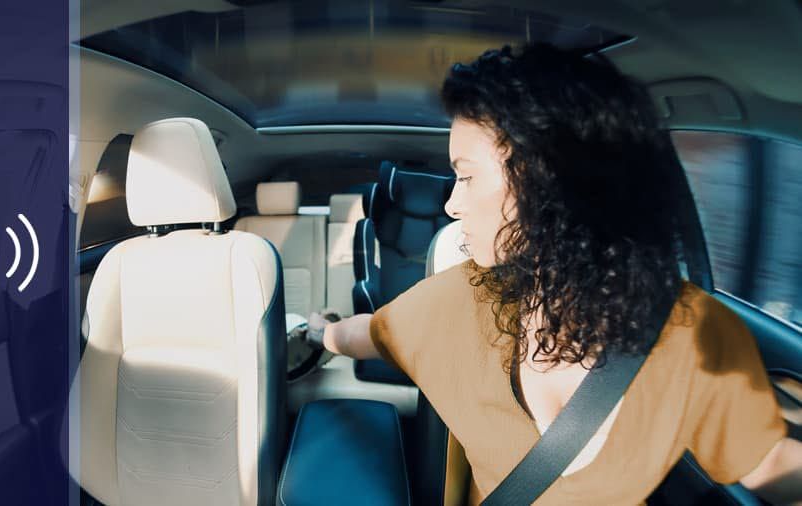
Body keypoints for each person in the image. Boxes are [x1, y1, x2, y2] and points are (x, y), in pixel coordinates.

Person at [303, 44, 801, 505]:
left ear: (547, 182)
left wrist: (320, 331)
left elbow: (768, 464)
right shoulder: (452, 305)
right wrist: (321, 329)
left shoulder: (694, 333)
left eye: (467, 175)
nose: (451, 204)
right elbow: (357, 334)